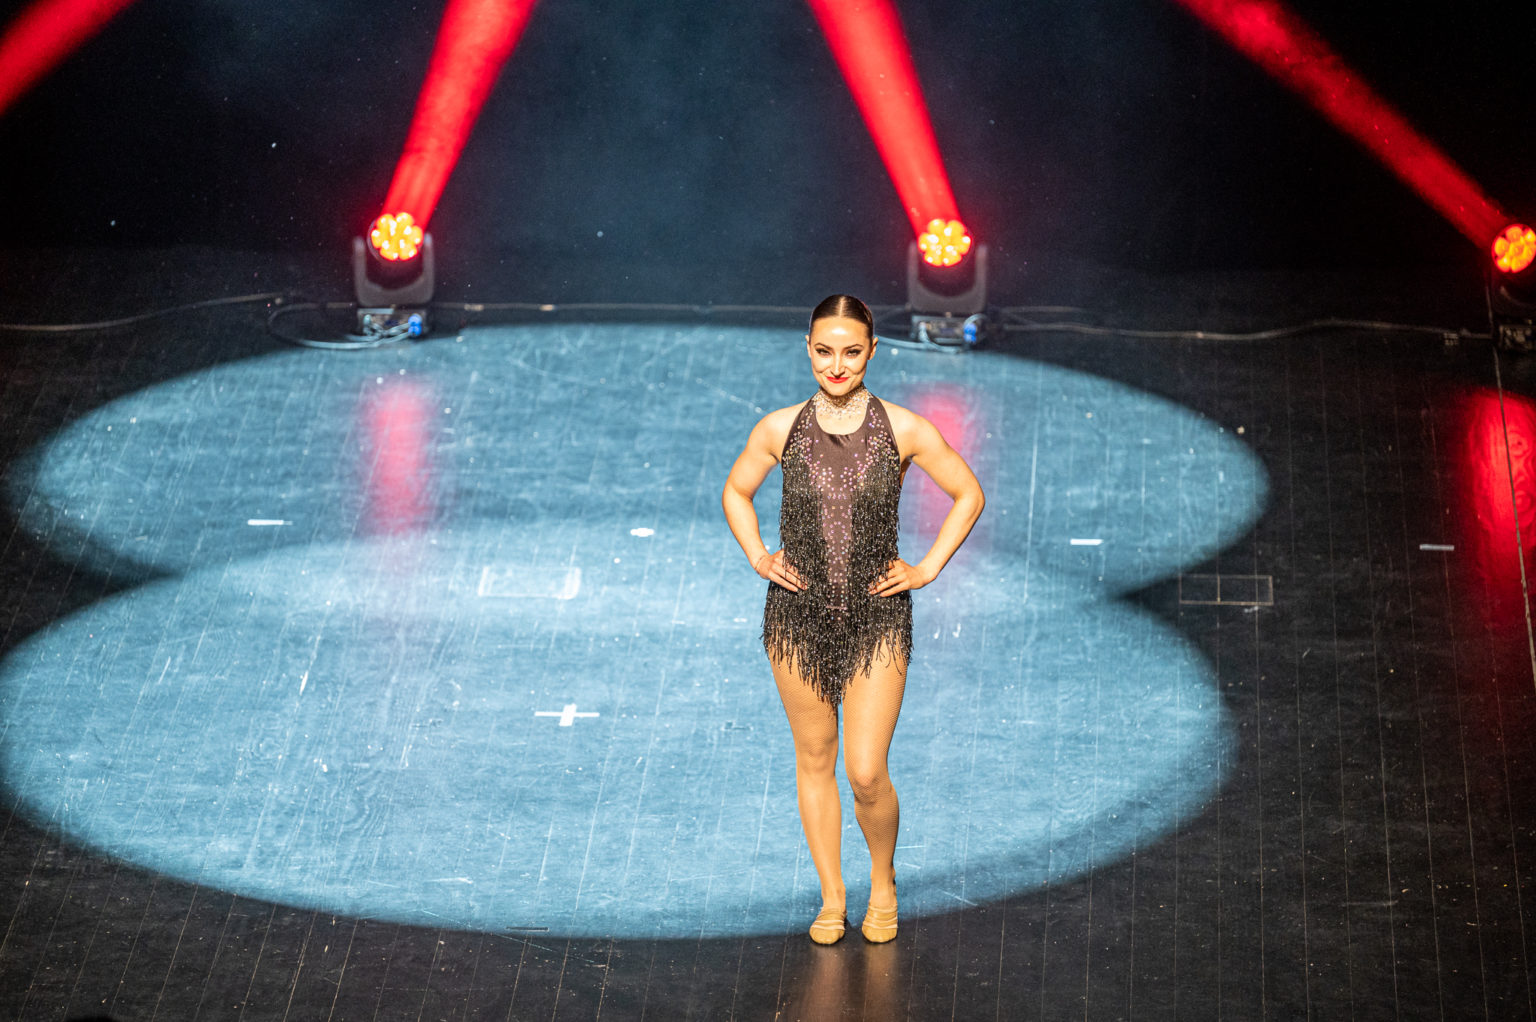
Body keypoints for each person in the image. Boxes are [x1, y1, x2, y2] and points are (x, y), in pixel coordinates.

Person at [721, 294, 985, 945]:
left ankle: (883, 880)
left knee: (866, 771)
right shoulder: (779, 428)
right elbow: (736, 490)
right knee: (815, 758)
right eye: (823, 351)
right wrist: (758, 555)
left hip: (877, 616)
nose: (836, 365)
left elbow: (968, 493)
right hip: (796, 616)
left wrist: (927, 568)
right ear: (808, 350)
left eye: (850, 351)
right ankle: (833, 895)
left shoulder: (906, 429)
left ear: (872, 352)